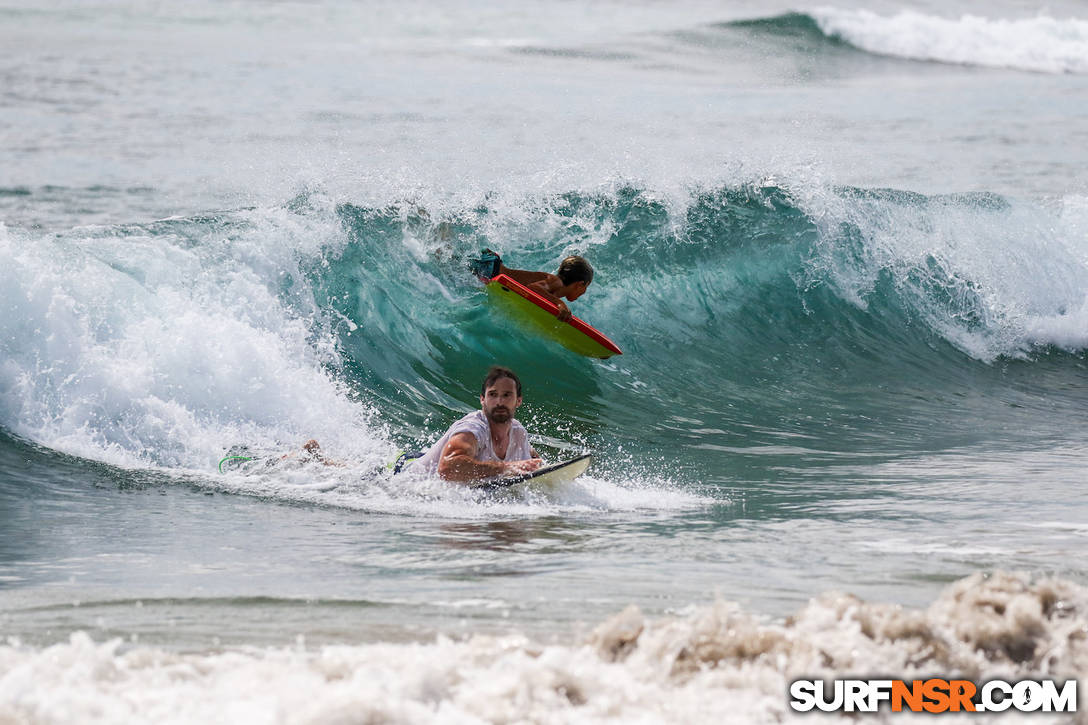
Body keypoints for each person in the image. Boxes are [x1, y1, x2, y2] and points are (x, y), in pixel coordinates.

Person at [411, 366, 542, 482]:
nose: (499, 402)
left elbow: (528, 454)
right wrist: (506, 467)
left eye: (507, 395)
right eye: (493, 394)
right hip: (411, 482)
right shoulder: (473, 428)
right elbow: (447, 468)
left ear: (518, 400)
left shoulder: (518, 432)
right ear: (482, 399)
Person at [470, 249, 594, 322]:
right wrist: (559, 303)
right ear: (580, 284)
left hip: (491, 270)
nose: (584, 292)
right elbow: (532, 288)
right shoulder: (556, 282)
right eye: (586, 287)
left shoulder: (553, 289)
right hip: (492, 267)